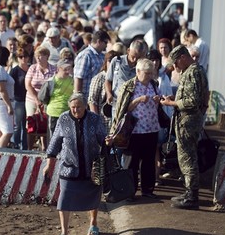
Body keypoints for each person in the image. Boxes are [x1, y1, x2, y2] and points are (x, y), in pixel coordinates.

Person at [43, 93, 109, 235]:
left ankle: (93, 223)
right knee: (64, 198)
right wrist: (49, 164)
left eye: (79, 107)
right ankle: (64, 231)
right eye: (73, 107)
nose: (75, 110)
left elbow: (103, 139)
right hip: (69, 167)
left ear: (85, 106)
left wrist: (107, 142)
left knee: (93, 197)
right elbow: (55, 142)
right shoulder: (64, 118)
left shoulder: (95, 119)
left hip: (91, 168)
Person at [160, 45, 209, 209]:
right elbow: (192, 96)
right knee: (187, 157)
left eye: (175, 63)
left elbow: (192, 101)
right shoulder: (195, 70)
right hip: (189, 121)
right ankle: (189, 192)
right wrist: (175, 97)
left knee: (188, 157)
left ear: (182, 57)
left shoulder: (192, 72)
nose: (175, 67)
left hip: (188, 122)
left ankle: (192, 197)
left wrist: (171, 103)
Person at [109, 58, 161, 199]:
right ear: (138, 71)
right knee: (131, 161)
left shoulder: (154, 84)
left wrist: (158, 99)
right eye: (147, 73)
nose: (149, 76)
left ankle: (147, 190)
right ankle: (130, 191)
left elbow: (159, 104)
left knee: (149, 161)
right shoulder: (128, 86)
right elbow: (122, 108)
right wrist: (137, 100)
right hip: (134, 130)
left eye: (151, 73)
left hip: (151, 128)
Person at [147, 49, 174, 186]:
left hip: (160, 116)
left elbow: (168, 97)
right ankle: (148, 177)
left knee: (157, 147)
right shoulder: (144, 75)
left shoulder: (164, 77)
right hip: (145, 117)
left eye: (157, 60)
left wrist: (169, 117)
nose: (154, 62)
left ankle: (156, 177)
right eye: (152, 60)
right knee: (147, 149)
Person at [25, 46, 57, 151]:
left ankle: (45, 148)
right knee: (31, 123)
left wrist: (44, 101)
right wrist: (36, 100)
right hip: (32, 99)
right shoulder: (33, 68)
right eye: (36, 56)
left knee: (45, 124)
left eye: (41, 56)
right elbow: (28, 85)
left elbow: (55, 85)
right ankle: (29, 148)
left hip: (47, 100)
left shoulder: (53, 69)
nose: (38, 58)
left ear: (47, 56)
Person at [105, 40, 148, 117]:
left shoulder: (142, 67)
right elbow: (108, 80)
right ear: (128, 50)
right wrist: (109, 93)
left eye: (138, 58)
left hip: (134, 106)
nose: (134, 60)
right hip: (117, 104)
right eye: (133, 56)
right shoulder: (117, 61)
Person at [73, 30, 110, 100]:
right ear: (99, 41)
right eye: (105, 42)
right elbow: (78, 78)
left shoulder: (102, 55)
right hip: (86, 97)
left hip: (97, 97)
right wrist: (78, 98)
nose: (106, 45)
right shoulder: (86, 55)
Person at [88, 50, 119, 132]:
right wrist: (96, 122)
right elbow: (92, 101)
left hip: (117, 118)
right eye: (110, 61)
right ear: (106, 62)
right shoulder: (99, 78)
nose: (112, 64)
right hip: (103, 120)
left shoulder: (120, 78)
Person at [45, 59, 74, 137]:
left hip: (68, 113)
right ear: (58, 69)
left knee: (66, 137)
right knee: (53, 137)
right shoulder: (51, 81)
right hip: (54, 112)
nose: (67, 71)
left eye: (69, 69)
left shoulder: (73, 80)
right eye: (65, 69)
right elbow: (43, 97)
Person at [8, 48, 29, 150]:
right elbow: (9, 85)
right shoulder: (14, 71)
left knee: (27, 126)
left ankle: (24, 146)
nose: (23, 59)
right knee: (17, 125)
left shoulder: (31, 68)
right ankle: (15, 145)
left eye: (25, 56)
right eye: (21, 57)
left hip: (29, 101)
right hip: (18, 100)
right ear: (18, 58)